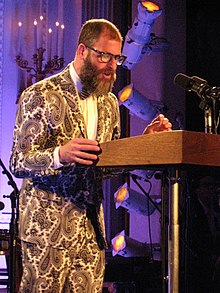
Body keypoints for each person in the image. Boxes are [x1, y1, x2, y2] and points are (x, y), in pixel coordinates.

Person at [9, 18, 172, 293]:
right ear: (82, 51)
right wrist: (60, 154)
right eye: (103, 56)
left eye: (116, 58)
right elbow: (19, 161)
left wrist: (144, 143)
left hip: (90, 234)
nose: (111, 65)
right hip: (46, 232)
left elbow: (107, 164)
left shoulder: (109, 102)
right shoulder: (41, 94)